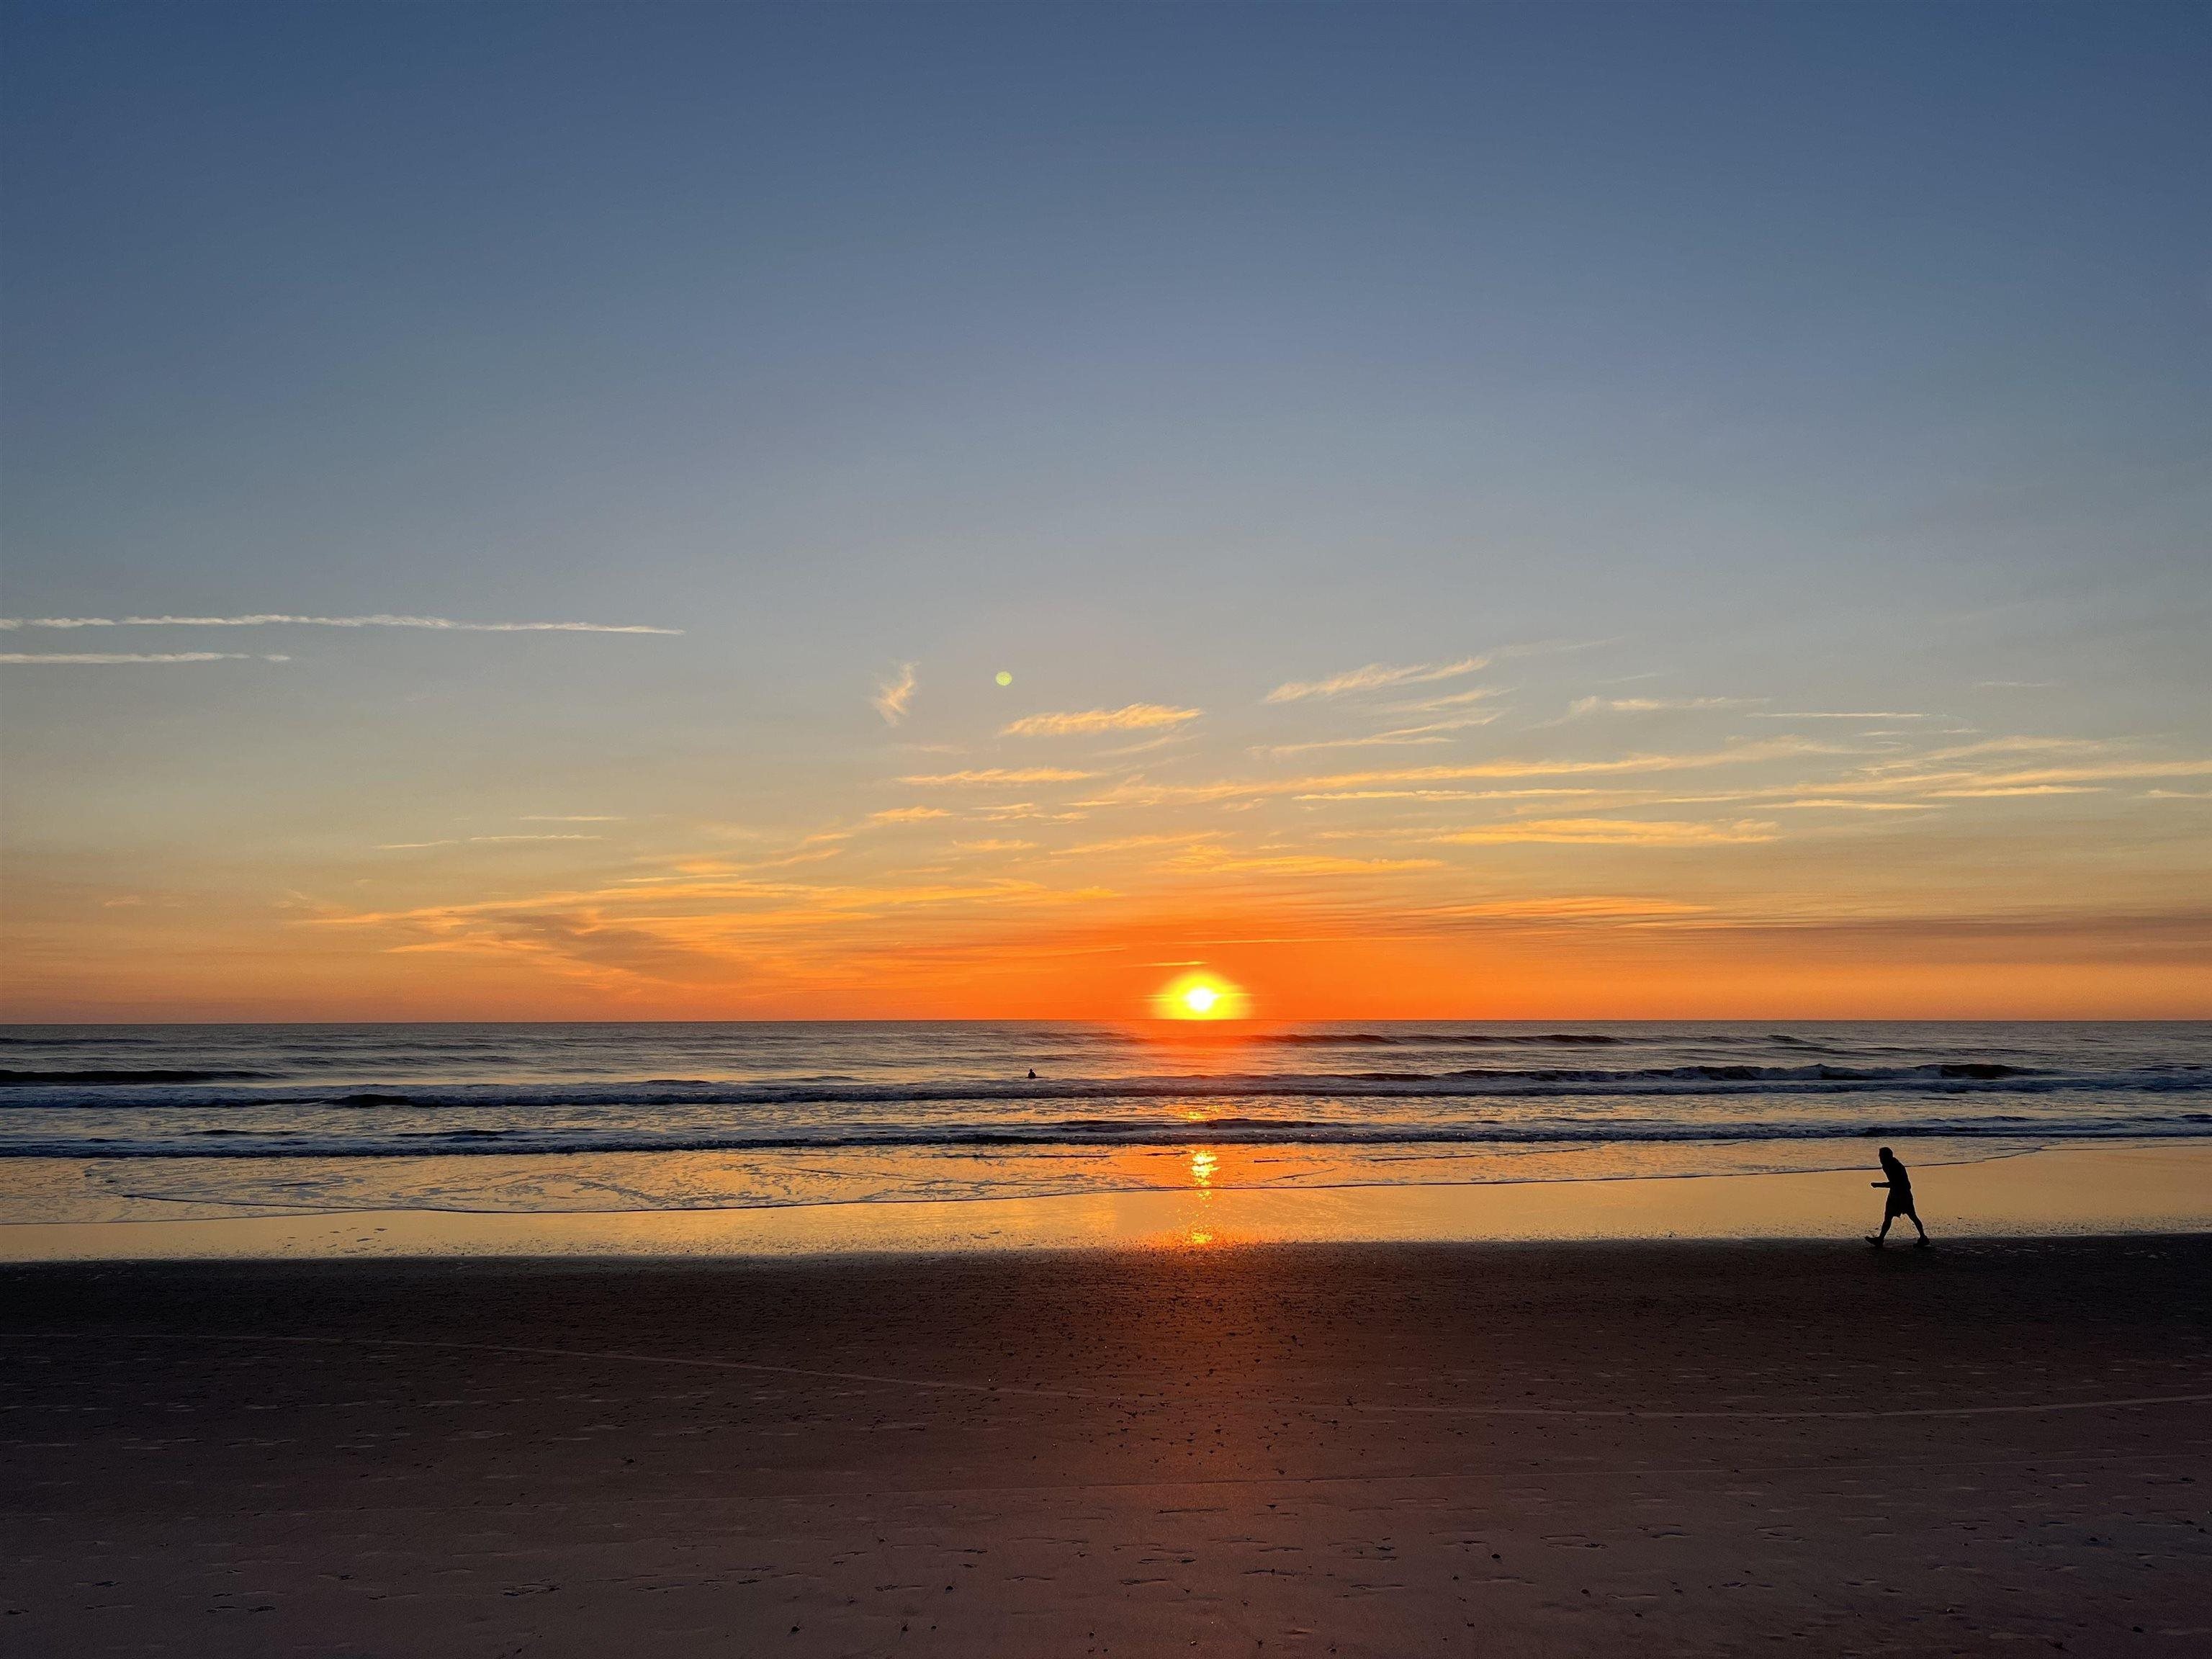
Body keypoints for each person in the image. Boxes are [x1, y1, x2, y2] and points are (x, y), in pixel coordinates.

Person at [1868, 1146, 1930, 1248]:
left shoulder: (1895, 1166)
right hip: (1895, 1195)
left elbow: (1895, 1183)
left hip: (1903, 1195)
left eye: (1881, 1156)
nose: (1880, 1159)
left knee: (1912, 1216)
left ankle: (1923, 1237)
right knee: (1889, 1217)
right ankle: (1880, 1239)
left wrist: (1878, 1185)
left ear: (1886, 1157)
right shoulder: (1887, 1166)